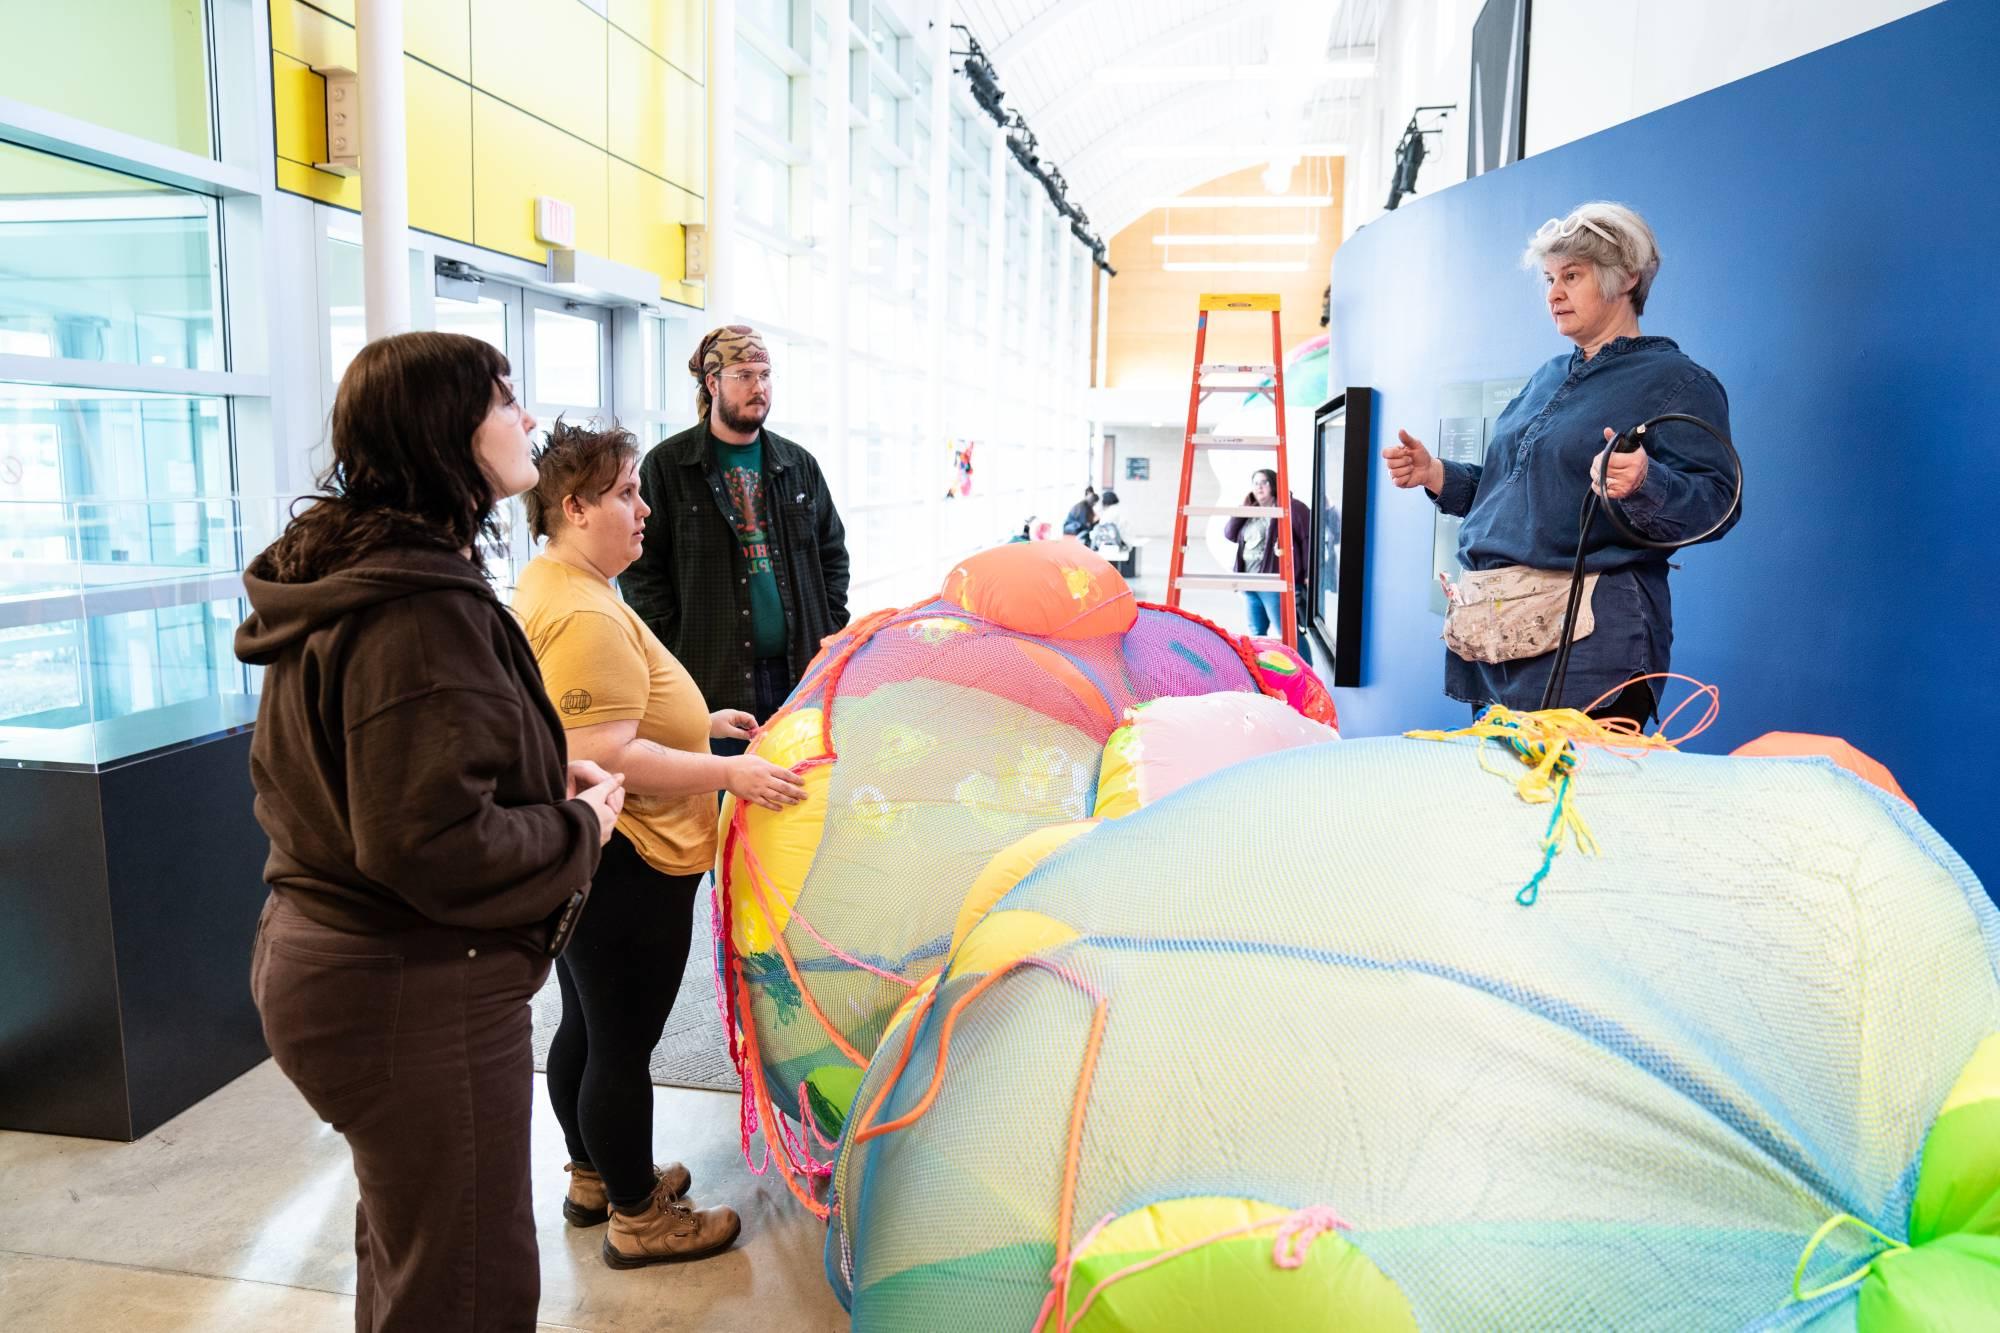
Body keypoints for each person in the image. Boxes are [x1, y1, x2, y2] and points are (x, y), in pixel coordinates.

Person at [236, 332, 626, 1330]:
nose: (529, 417)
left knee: (419, 1259)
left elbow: (385, 775)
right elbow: (429, 843)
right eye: (505, 399)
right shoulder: (413, 608)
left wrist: (539, 780)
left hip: (341, 967)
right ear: (444, 431)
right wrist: (579, 823)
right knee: (467, 1288)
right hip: (407, 986)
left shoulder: (364, 575)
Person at [513, 421, 806, 1269]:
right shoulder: (580, 611)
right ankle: (641, 1218)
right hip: (629, 857)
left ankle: (598, 1176)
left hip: (600, 853)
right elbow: (606, 752)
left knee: (589, 1023)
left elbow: (599, 723)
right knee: (622, 1041)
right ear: (574, 507)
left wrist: (700, 723)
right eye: (625, 494)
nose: (645, 509)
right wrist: (730, 774)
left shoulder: (560, 583)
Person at [1382, 201, 1740, 725]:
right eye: (1550, 278)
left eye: (1572, 276)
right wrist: (1437, 474)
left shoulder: (1678, 381)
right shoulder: (1548, 376)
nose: (1553, 294)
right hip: (1500, 636)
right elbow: (1514, 493)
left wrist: (1645, 482)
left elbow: (1719, 505)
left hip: (1592, 650)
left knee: (1574, 805)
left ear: (1626, 278)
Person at [620, 325, 849, 760]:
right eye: (744, 375)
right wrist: (675, 644)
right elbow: (640, 569)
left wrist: (828, 629)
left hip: (800, 675)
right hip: (710, 682)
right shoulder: (668, 467)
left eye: (765, 375)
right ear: (713, 383)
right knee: (721, 808)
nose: (758, 387)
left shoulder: (798, 465)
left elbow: (833, 555)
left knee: (797, 801)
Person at [1223, 468, 1313, 665]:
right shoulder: (1251, 509)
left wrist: (1308, 573)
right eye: (1255, 483)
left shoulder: (1292, 508)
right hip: (1249, 584)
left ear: (1274, 484)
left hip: (1275, 584)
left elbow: (1308, 540)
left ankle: (1307, 673)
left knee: (1288, 632)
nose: (1259, 487)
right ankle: (1260, 675)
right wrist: (1244, 507)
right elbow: (1229, 534)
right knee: (1256, 633)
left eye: (1264, 482)